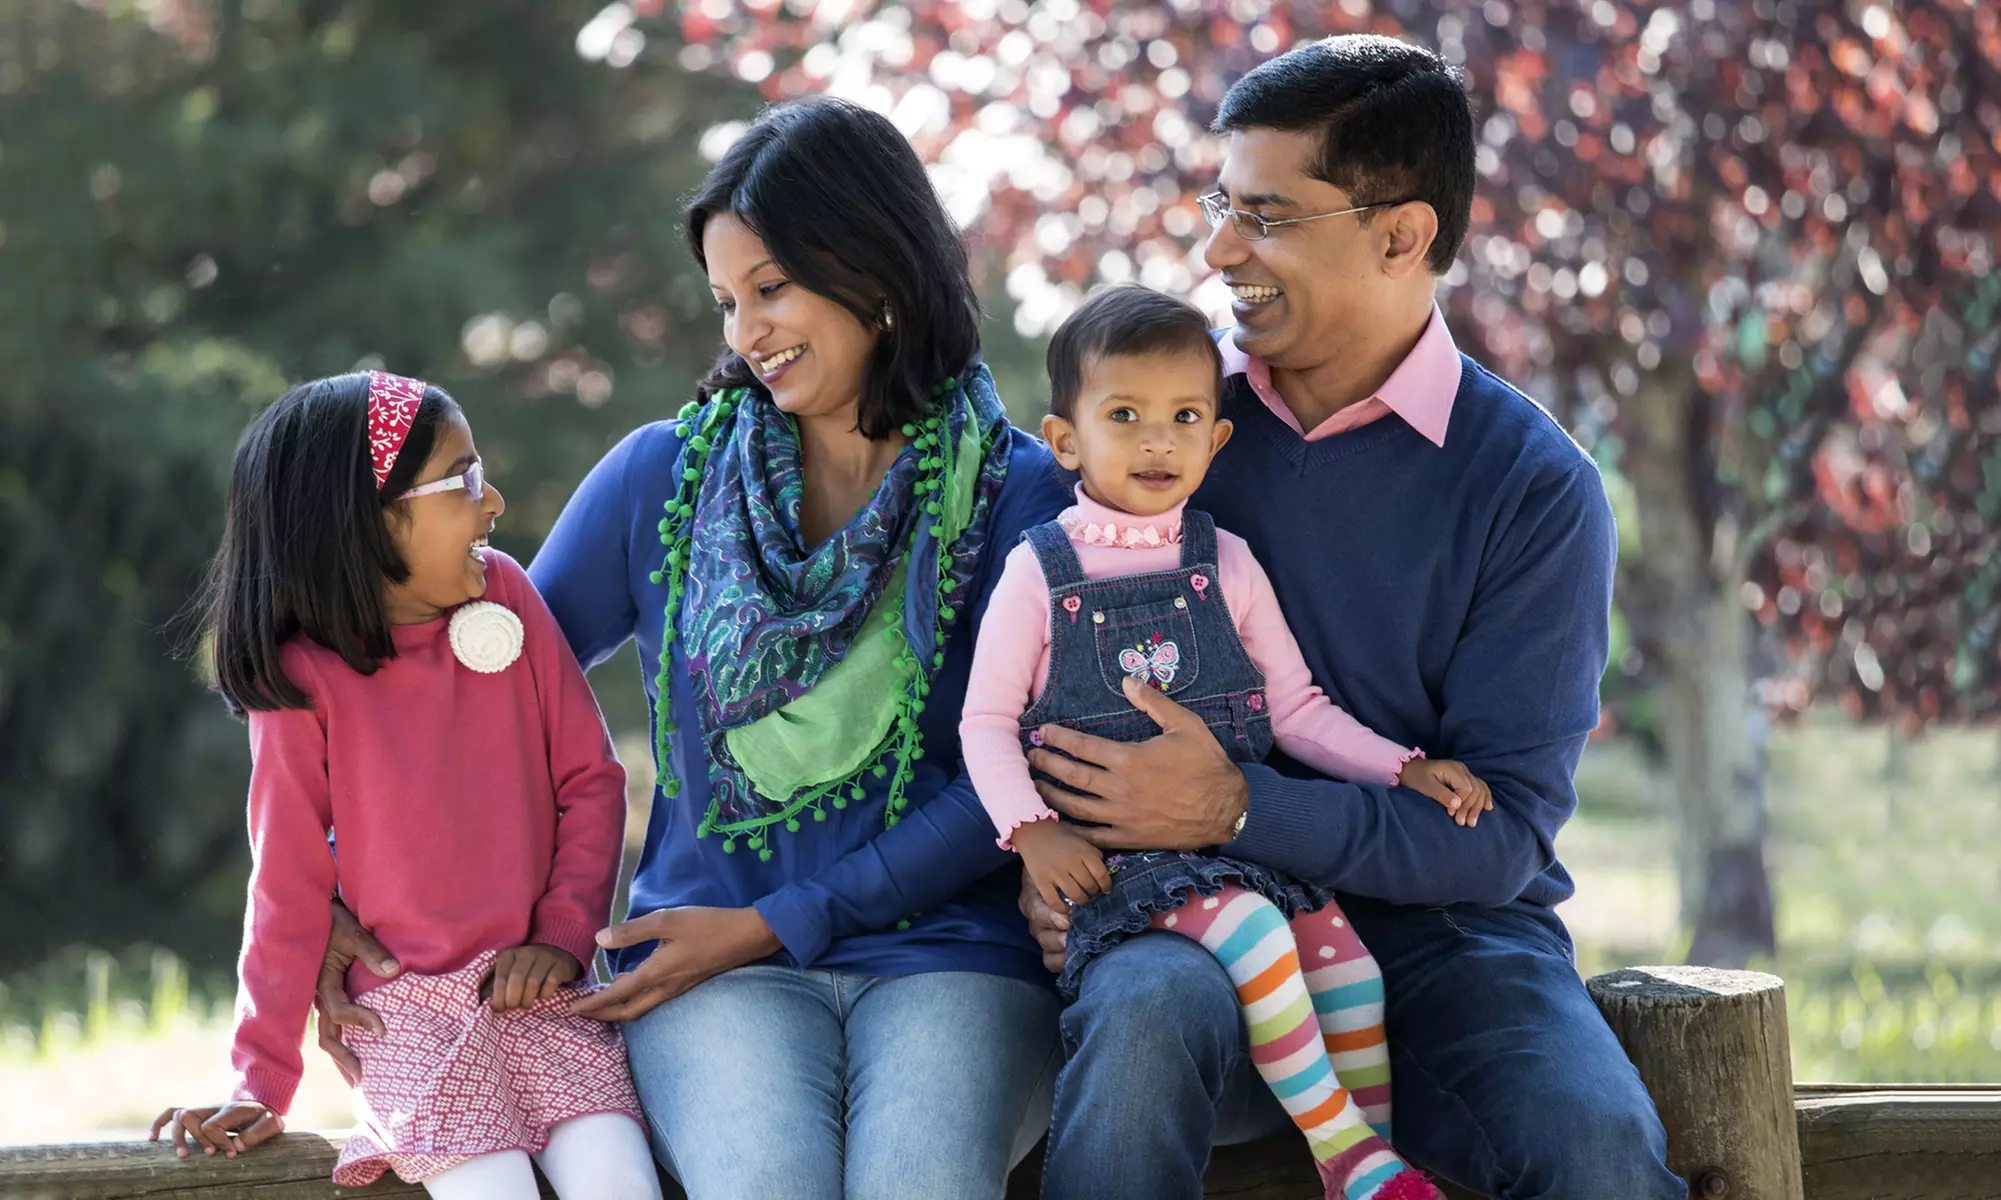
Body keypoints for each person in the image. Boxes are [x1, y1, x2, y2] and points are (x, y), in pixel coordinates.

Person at [311, 98, 1072, 1199]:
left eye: (772, 288)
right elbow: (469, 703)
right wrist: (330, 882)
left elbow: (1012, 776)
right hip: (698, 968)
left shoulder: (1022, 500)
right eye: (725, 301)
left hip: (952, 953)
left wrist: (774, 924)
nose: (745, 333)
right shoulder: (659, 477)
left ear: (878, 270)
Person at [1019, 36, 1687, 1200]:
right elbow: (1029, 690)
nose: (1220, 250)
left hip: (1447, 938)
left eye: (1267, 218)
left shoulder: (1533, 488)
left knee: (1598, 1154)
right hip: (1184, 906)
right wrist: (1045, 857)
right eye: (1223, 205)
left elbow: (1498, 835)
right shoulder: (1153, 431)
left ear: (1401, 236)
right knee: (1138, 1038)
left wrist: (1239, 803)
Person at [962, 285, 1496, 1199]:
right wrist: (1031, 832)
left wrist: (1401, 766)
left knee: (1348, 969)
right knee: (1254, 929)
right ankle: (1348, 1153)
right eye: (1123, 416)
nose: (1156, 442)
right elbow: (985, 724)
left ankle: (1367, 1173)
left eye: (1183, 418)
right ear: (1064, 440)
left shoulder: (1227, 562)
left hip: (1231, 851)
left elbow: (1296, 711)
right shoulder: (1040, 573)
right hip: (1110, 869)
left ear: (1215, 440)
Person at [150, 373, 659, 1200]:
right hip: (406, 1020)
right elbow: (287, 884)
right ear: (370, 519)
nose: (492, 501)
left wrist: (563, 936)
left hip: (542, 996)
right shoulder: (298, 683)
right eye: (462, 479)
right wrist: (260, 1081)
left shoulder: (508, 594)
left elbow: (591, 782)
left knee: (621, 1184)